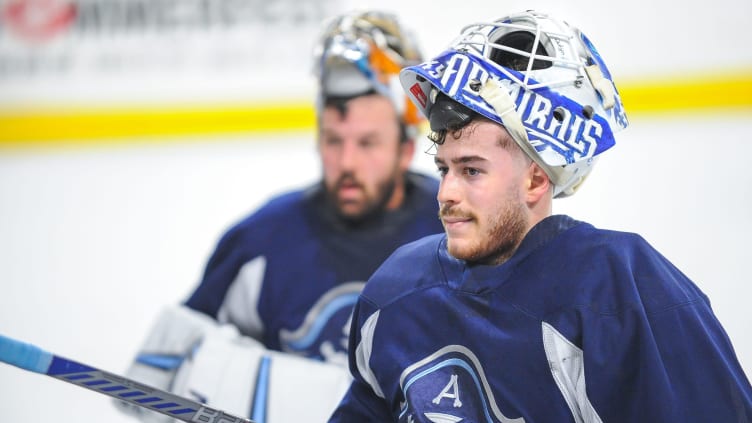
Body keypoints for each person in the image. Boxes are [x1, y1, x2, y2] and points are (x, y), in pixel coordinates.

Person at [329, 10, 752, 422]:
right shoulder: (395, 292)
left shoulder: (626, 291)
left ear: (535, 180)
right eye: (445, 169)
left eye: (471, 171)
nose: (446, 194)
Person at [115, 10, 443, 423]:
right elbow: (157, 387)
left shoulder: (454, 231)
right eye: (332, 140)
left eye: (367, 143)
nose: (346, 162)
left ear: (406, 149)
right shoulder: (262, 240)